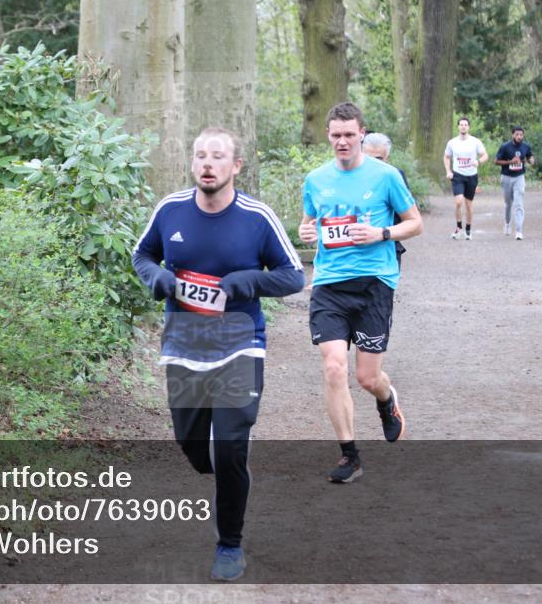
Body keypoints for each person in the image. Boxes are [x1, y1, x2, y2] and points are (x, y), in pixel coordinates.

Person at [132, 127, 304, 581]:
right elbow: (141, 255)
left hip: (239, 343)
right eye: (200, 156)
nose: (207, 163)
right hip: (184, 343)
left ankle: (229, 542)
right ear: (193, 164)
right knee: (191, 445)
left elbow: (293, 276)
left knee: (230, 447)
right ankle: (216, 462)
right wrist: (159, 280)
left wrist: (246, 281)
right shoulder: (170, 210)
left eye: (217, 156)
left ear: (235, 166)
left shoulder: (256, 217)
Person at [298, 102, 423, 484]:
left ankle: (387, 400)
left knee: (368, 377)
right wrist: (305, 232)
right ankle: (349, 456)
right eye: (336, 135)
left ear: (362, 134)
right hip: (329, 285)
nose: (342, 141)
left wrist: (380, 234)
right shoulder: (315, 179)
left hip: (373, 285)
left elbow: (415, 224)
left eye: (349, 134)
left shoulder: (385, 177)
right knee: (334, 367)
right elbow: (309, 223)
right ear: (328, 137)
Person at [363, 132, 409, 267]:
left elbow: (408, 218)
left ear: (387, 158)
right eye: (368, 158)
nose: (373, 163)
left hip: (387, 246)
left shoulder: (396, 176)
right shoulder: (348, 176)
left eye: (378, 159)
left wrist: (384, 233)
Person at [442, 117, 489, 240]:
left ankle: (468, 229)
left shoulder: (475, 141)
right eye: (461, 124)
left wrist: (478, 161)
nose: (463, 126)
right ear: (458, 127)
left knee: (468, 204)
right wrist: (448, 171)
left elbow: (485, 155)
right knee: (458, 202)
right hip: (458, 175)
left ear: (469, 127)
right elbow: (446, 157)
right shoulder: (452, 142)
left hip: (472, 176)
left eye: (465, 125)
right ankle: (458, 228)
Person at [495, 126, 535, 240]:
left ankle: (519, 230)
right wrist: (510, 162)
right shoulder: (505, 147)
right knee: (508, 203)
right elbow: (496, 161)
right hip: (506, 177)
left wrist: (531, 160)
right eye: (517, 134)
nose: (519, 137)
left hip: (519, 177)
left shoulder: (526, 146)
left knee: (519, 204)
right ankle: (507, 223)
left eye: (521, 135)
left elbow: (530, 156)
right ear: (513, 135)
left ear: (523, 135)